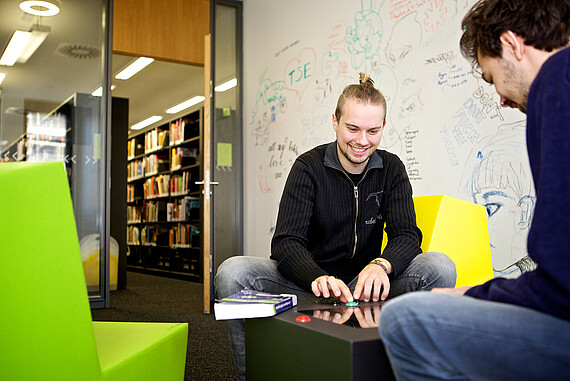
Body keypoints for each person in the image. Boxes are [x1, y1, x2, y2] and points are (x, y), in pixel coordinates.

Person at [215, 73, 456, 380]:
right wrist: (316, 276)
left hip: (365, 287)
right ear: (335, 121)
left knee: (440, 266)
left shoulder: (392, 168)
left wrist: (381, 265)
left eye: (373, 130)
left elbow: (408, 235)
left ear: (383, 127)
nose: (362, 141)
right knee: (233, 272)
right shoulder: (307, 167)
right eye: (352, 128)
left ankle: (414, 374)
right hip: (309, 284)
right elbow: (286, 242)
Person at [379, 1, 570, 380]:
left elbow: (559, 283)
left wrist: (473, 294)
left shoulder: (555, 80)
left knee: (405, 318)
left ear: (512, 44)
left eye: (490, 76)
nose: (500, 96)